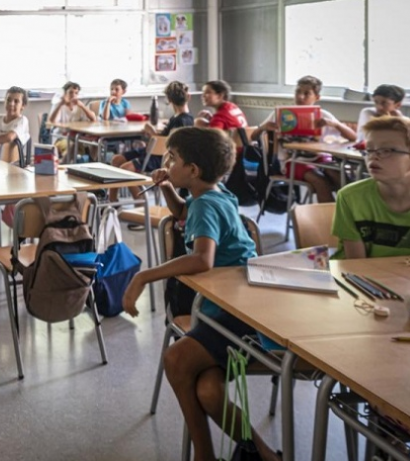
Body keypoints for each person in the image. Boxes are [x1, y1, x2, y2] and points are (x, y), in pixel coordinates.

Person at [122, 127, 280, 461]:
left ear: (192, 170)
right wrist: (167, 186)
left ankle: (203, 455)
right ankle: (263, 455)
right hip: (232, 304)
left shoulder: (206, 205)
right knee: (209, 390)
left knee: (176, 360)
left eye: (173, 158)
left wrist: (143, 276)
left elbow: (202, 259)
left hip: (238, 313)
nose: (166, 161)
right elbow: (183, 214)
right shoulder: (211, 194)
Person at [250, 75, 357, 204]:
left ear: (317, 97)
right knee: (320, 181)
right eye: (298, 92)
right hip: (292, 161)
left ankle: (353, 211)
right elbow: (253, 137)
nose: (300, 96)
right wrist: (264, 127)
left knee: (339, 176)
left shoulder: (323, 115)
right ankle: (330, 221)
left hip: (321, 158)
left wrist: (336, 124)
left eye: (306, 93)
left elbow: (354, 138)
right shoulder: (281, 114)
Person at [332, 117, 410, 259]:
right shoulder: (350, 197)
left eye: (386, 150)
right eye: (369, 150)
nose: (374, 157)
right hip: (362, 277)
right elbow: (357, 264)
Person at [110, 81, 194, 203]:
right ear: (188, 97)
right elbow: (165, 137)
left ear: (169, 99)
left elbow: (169, 144)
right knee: (116, 159)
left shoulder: (182, 120)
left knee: (125, 168)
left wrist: (152, 132)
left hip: (160, 156)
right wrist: (154, 134)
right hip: (152, 151)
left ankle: (140, 204)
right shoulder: (177, 118)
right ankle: (112, 201)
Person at [49, 81, 97, 158]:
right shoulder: (59, 105)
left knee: (94, 144)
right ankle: (66, 164)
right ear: (65, 94)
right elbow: (52, 121)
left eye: (76, 93)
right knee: (72, 146)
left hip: (77, 137)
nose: (73, 95)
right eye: (70, 93)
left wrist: (82, 106)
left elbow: (93, 119)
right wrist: (61, 104)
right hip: (61, 137)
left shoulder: (79, 106)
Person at [0, 86, 30, 161]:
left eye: (16, 101)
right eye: (8, 100)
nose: (11, 104)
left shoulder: (22, 120)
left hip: (3, 162)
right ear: (4, 101)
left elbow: (9, 137)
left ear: (23, 106)